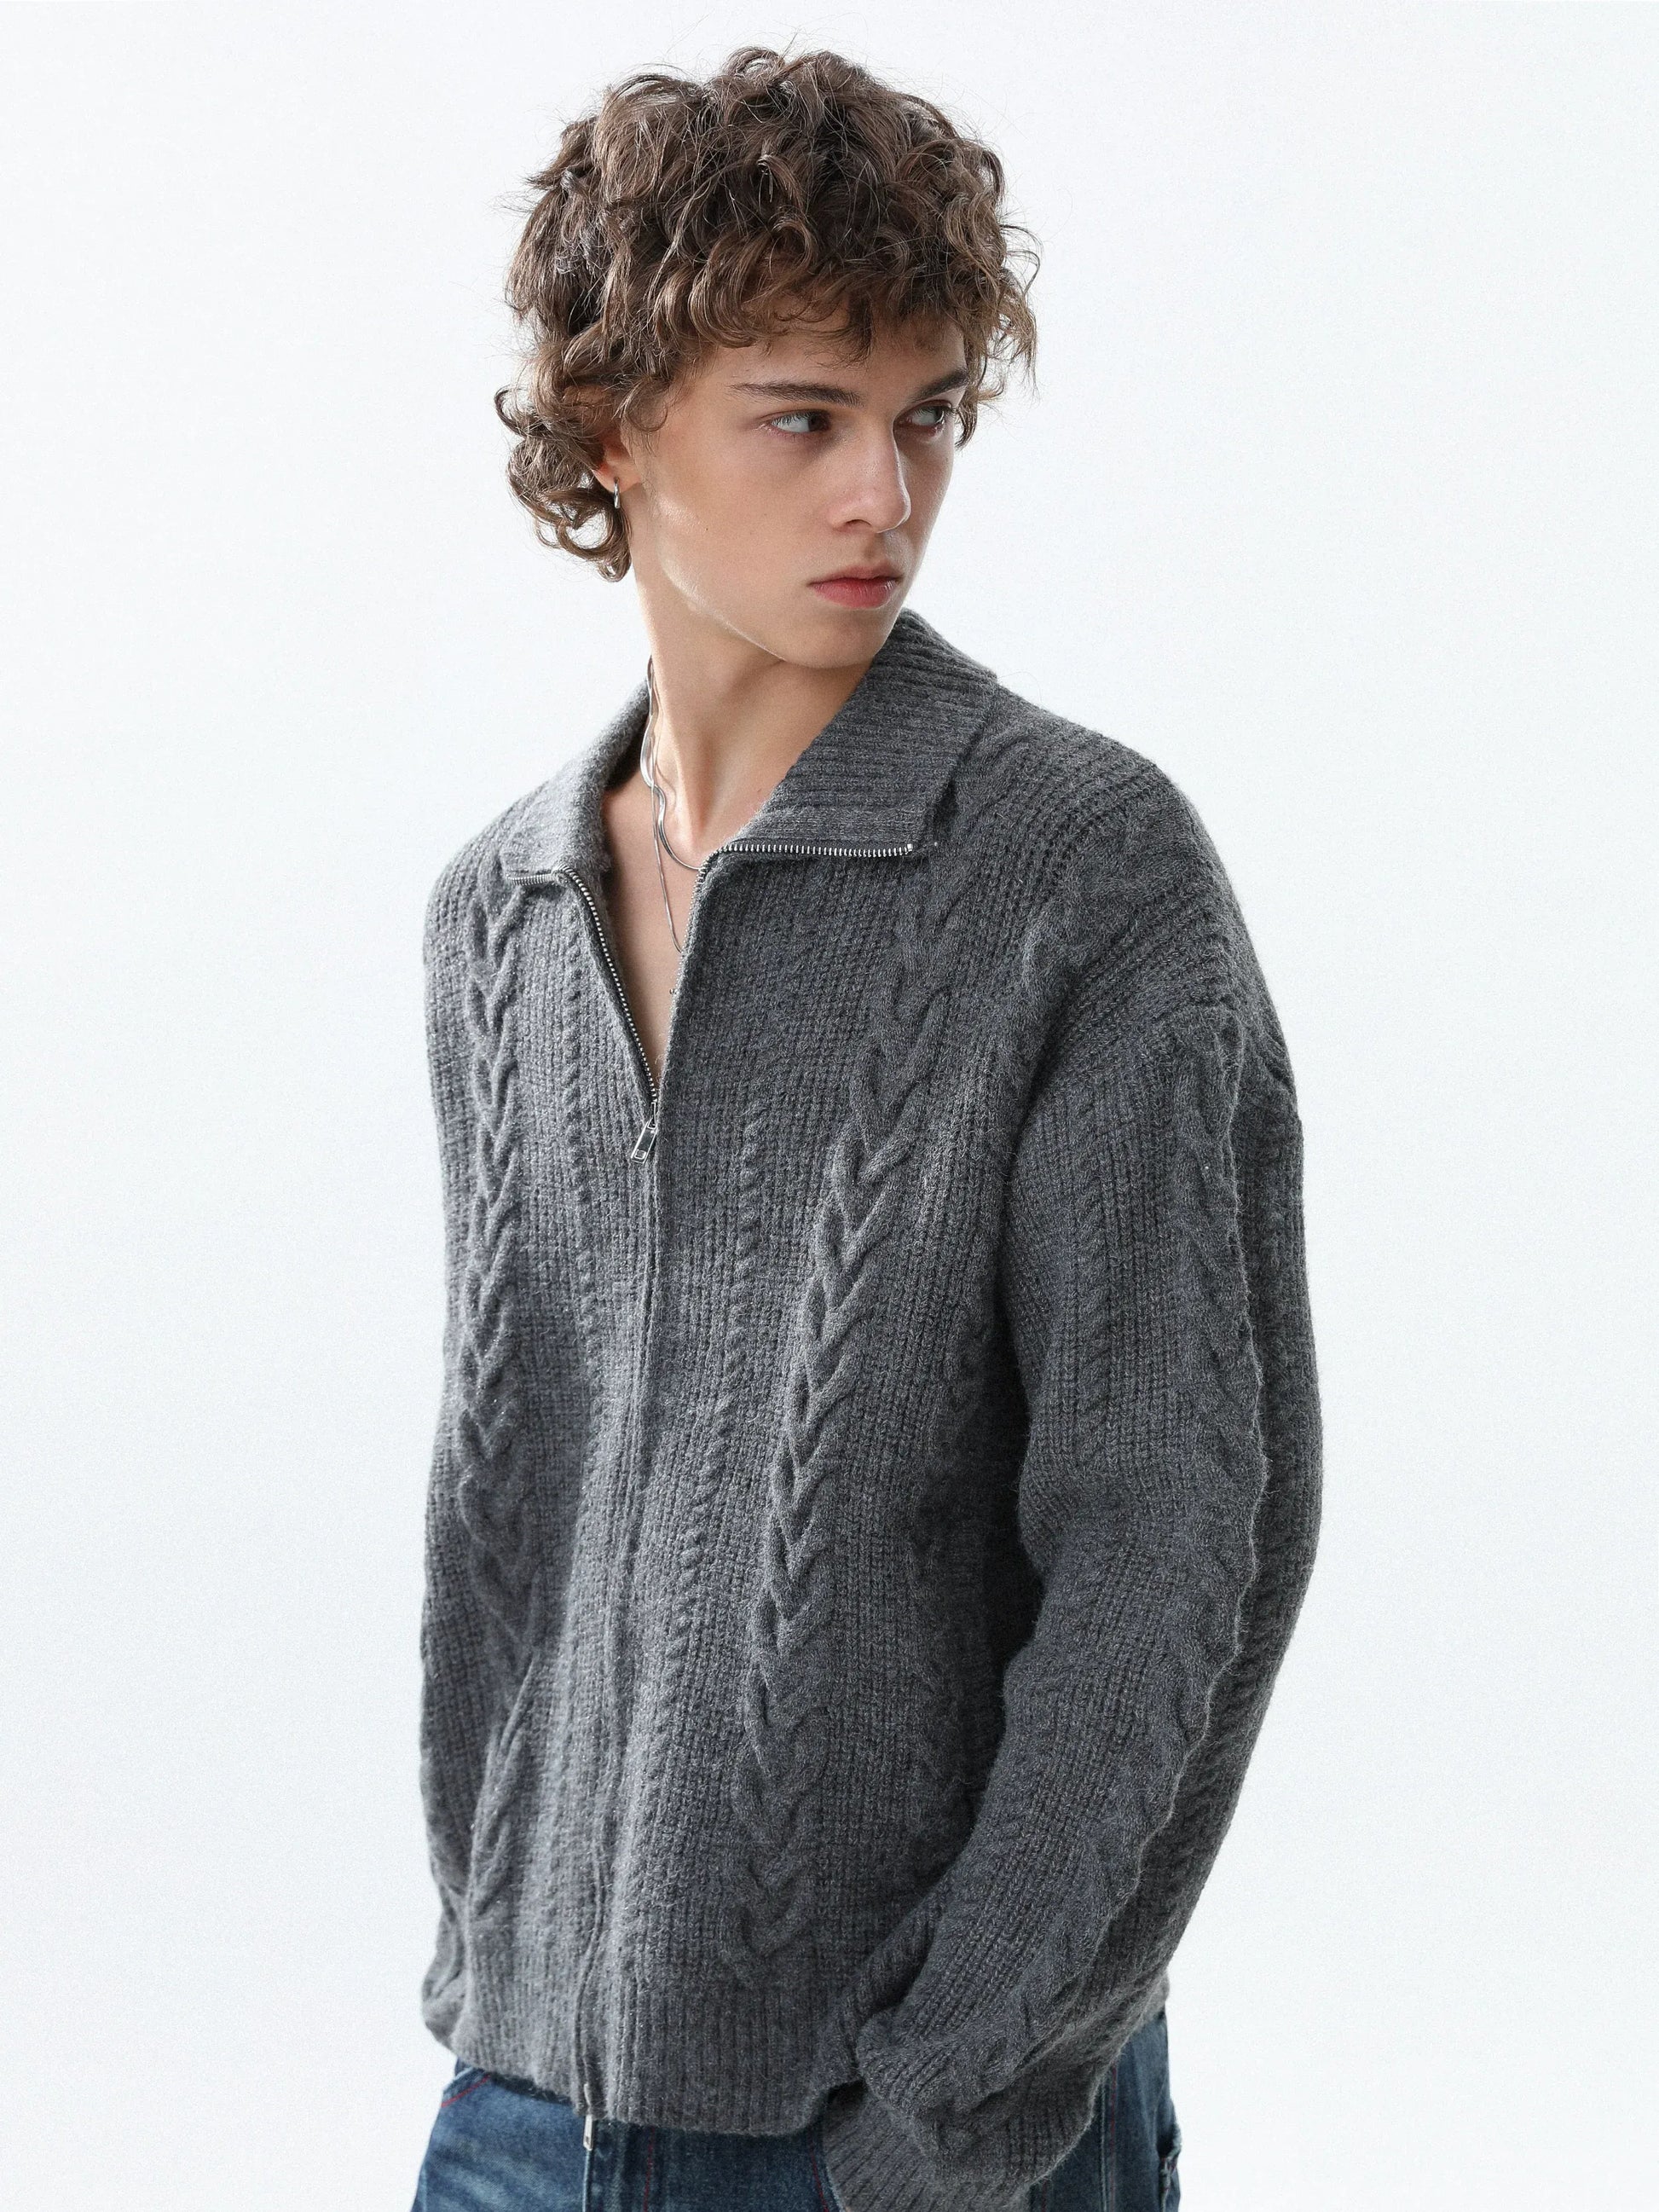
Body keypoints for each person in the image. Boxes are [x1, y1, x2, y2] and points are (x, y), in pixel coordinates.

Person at [409, 43, 1321, 2212]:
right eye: (805, 419)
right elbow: (504, 1514)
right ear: (613, 427)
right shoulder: (500, 916)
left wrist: (949, 2104)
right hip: (526, 2093)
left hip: (905, 2120)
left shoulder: (1079, 867)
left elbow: (1186, 1530)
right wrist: (495, 1944)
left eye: (926, 419)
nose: (882, 499)